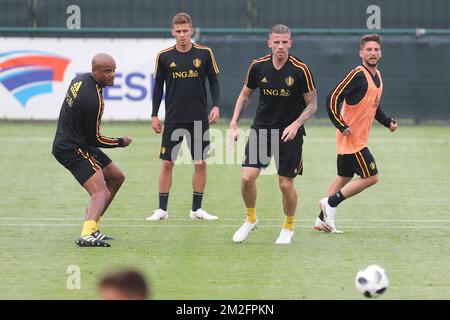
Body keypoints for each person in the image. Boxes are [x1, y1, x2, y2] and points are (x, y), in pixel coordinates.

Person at [229, 24, 317, 244]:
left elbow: (312, 104)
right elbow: (244, 96)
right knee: (246, 178)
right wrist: (233, 124)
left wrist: (296, 124)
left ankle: (288, 226)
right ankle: (251, 219)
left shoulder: (300, 69)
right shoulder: (258, 66)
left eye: (284, 42)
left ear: (290, 43)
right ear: (269, 43)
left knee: (285, 185)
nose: (280, 46)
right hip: (262, 129)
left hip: (289, 133)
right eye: (276, 42)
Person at [313, 34, 397, 233]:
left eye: (376, 49)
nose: (373, 53)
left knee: (344, 176)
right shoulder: (357, 74)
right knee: (372, 176)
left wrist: (387, 122)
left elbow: (373, 106)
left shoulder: (377, 76)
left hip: (355, 138)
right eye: (368, 49)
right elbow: (332, 97)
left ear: (381, 53)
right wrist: (341, 125)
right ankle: (330, 204)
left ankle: (320, 219)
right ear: (361, 53)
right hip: (352, 139)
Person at [52, 53, 132, 247]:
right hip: (72, 148)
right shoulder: (93, 100)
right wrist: (120, 142)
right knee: (101, 192)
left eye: (113, 70)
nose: (112, 75)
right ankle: (87, 234)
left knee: (116, 177)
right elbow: (95, 138)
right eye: (107, 71)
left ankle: (93, 227)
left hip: (80, 143)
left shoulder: (80, 79)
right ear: (94, 71)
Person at [146, 12, 220, 221]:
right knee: (167, 164)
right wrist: (154, 115)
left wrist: (215, 106)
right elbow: (158, 88)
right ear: (173, 32)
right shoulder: (164, 56)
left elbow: (213, 82)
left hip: (198, 119)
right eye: (178, 31)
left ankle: (196, 209)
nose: (182, 35)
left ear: (191, 31)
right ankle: (162, 209)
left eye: (185, 31)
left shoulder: (205, 53)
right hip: (174, 119)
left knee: (200, 164)